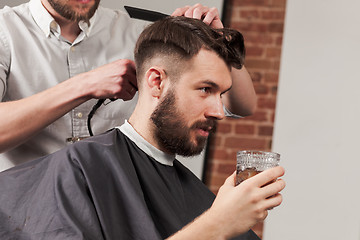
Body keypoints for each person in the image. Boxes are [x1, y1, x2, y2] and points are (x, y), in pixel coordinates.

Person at [0, 16, 285, 240]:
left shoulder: (198, 194)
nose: (219, 112)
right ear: (156, 82)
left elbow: (245, 106)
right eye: (205, 89)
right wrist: (217, 225)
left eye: (221, 93)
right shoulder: (80, 171)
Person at [0, 0, 257, 171]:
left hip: (116, 207)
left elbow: (242, 106)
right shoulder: (5, 31)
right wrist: (85, 85)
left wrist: (219, 45)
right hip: (25, 209)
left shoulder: (139, 30)